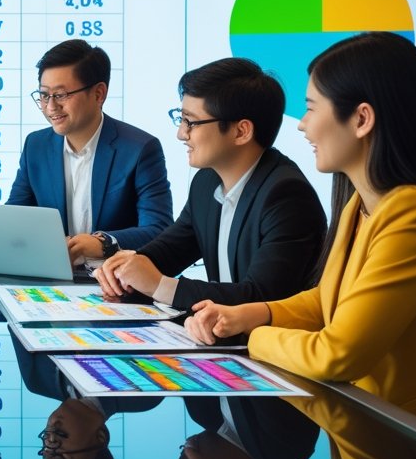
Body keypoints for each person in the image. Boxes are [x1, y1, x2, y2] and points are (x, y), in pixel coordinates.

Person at [186, 33, 416, 439]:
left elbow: (337, 355)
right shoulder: (359, 204)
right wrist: (253, 313)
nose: (302, 125)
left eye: (310, 108)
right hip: (375, 432)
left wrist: (253, 336)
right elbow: (329, 299)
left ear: (361, 119)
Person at [95, 58, 326, 310]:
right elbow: (170, 250)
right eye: (180, 119)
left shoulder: (287, 196)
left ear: (241, 131)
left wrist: (159, 286)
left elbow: (263, 298)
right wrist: (124, 269)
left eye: (191, 122)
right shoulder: (206, 182)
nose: (181, 134)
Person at [8, 39, 171, 266]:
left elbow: (159, 230)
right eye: (44, 95)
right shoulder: (36, 145)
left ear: (98, 94)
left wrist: (105, 243)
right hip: (52, 280)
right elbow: (15, 219)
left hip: (116, 280)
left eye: (61, 95)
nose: (51, 107)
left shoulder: (140, 149)